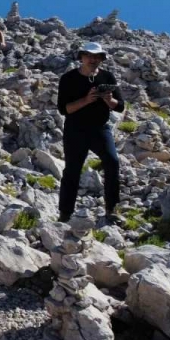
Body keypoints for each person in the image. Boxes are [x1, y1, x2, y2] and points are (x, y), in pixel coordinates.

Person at [56, 42, 125, 222]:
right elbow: (65, 109)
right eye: (90, 56)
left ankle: (112, 209)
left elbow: (120, 107)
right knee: (72, 170)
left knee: (112, 162)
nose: (94, 59)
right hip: (75, 130)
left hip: (100, 129)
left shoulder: (107, 76)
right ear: (81, 57)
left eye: (97, 56)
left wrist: (109, 100)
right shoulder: (68, 78)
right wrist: (87, 100)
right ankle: (65, 214)